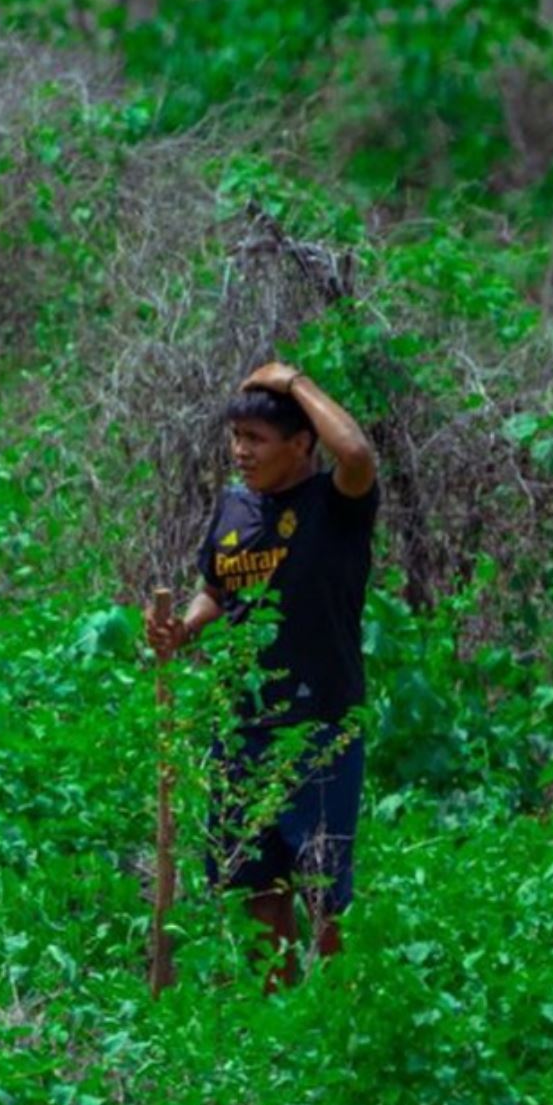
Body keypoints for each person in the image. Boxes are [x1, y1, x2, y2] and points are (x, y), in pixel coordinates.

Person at [146, 361, 379, 992]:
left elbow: (355, 450)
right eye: (237, 438)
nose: (241, 452)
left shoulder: (337, 503)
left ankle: (331, 1015)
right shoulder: (236, 508)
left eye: (257, 439)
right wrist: (186, 628)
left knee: (323, 885)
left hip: (319, 723)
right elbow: (221, 590)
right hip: (243, 724)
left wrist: (294, 383)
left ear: (301, 444)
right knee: (256, 882)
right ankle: (276, 1018)